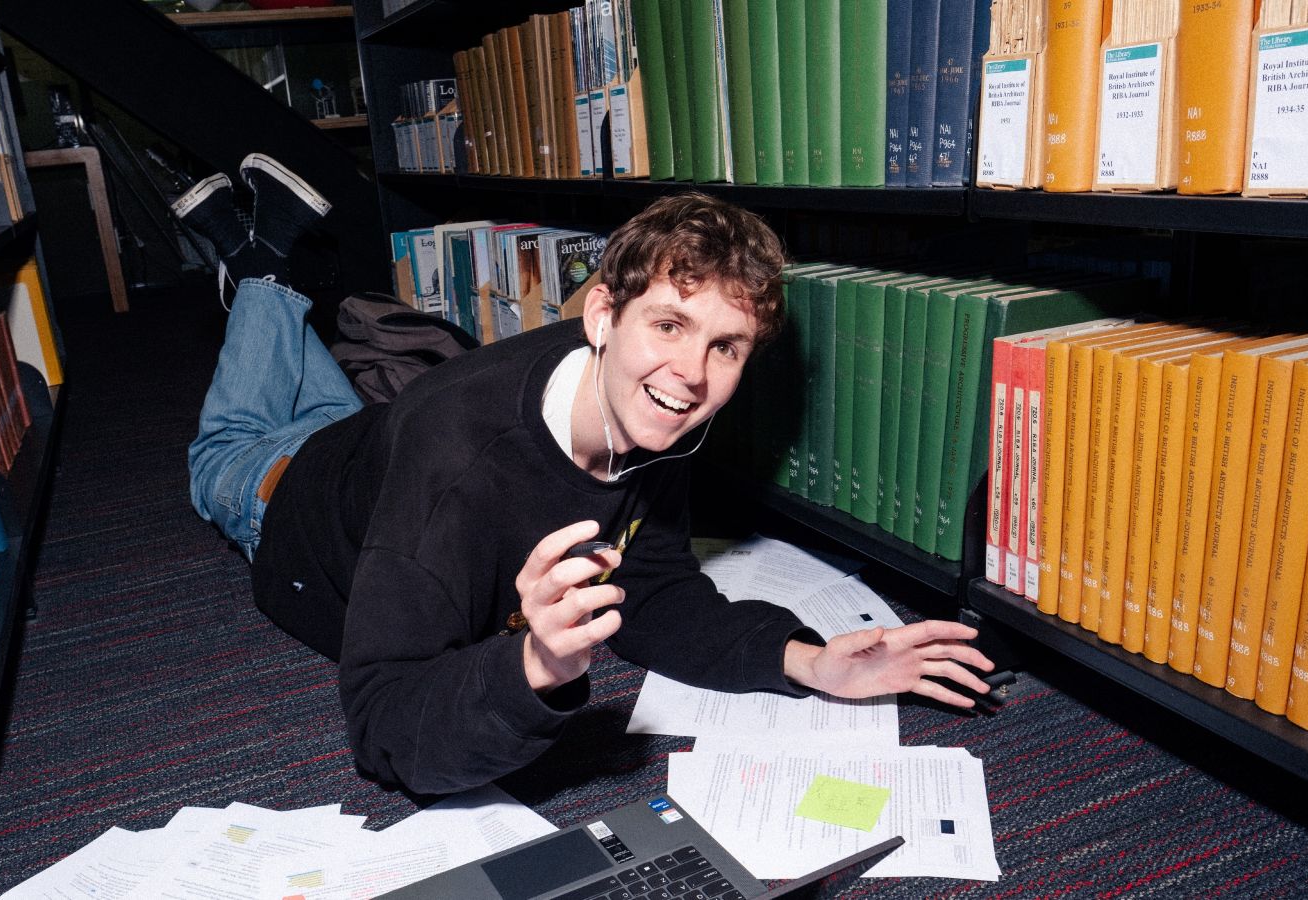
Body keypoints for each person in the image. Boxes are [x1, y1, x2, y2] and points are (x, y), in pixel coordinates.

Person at [177, 156, 995, 795]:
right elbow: (384, 723)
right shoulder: (458, 469)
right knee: (225, 444)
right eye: (669, 324)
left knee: (329, 410)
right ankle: (263, 272)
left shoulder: (657, 412)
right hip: (276, 498)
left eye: (726, 347)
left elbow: (655, 591)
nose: (691, 375)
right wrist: (536, 667)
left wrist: (808, 662)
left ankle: (260, 268)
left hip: (365, 441)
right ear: (600, 314)